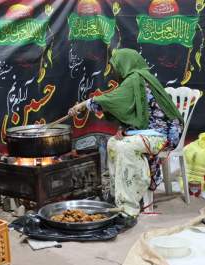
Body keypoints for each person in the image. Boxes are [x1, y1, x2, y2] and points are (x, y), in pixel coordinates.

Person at [68, 48, 184, 216]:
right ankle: (118, 195)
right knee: (113, 142)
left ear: (125, 63)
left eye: (117, 66)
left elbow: (113, 100)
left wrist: (83, 105)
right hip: (148, 131)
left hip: (163, 135)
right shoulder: (138, 78)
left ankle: (129, 205)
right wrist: (125, 129)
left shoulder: (136, 78)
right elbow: (137, 111)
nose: (115, 71)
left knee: (125, 148)